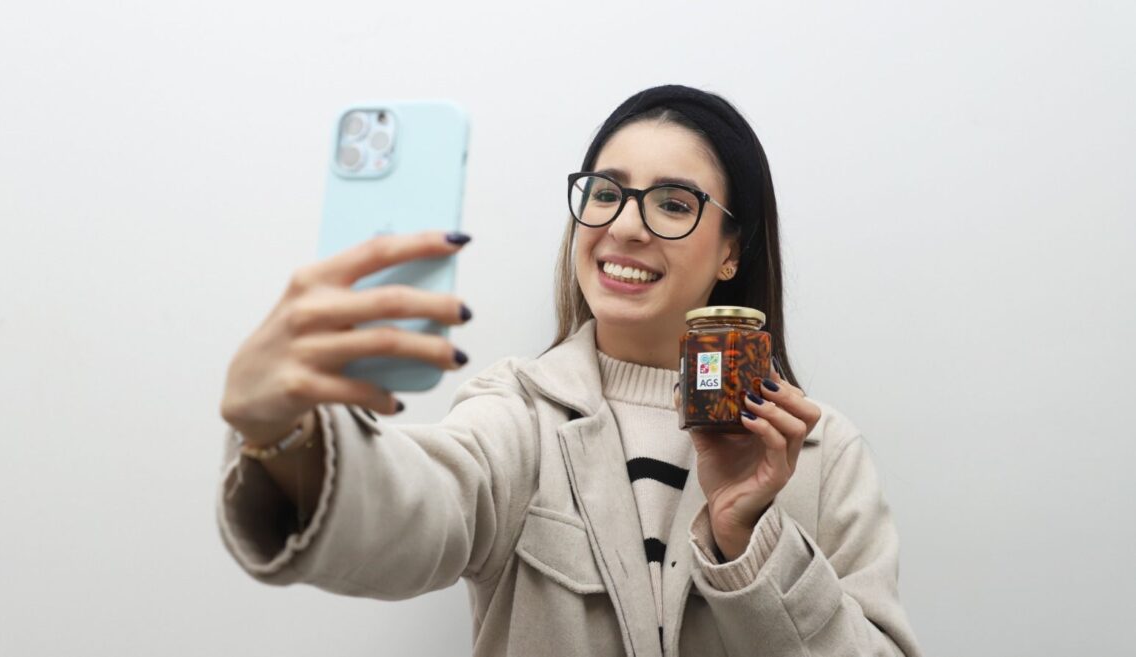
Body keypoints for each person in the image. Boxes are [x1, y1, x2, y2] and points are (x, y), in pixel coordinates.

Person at [217, 85, 923, 656]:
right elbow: (412, 509)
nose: (626, 226)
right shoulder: (519, 413)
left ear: (731, 251)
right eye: (606, 192)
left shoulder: (823, 455)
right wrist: (283, 434)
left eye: (674, 203)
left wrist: (751, 541)